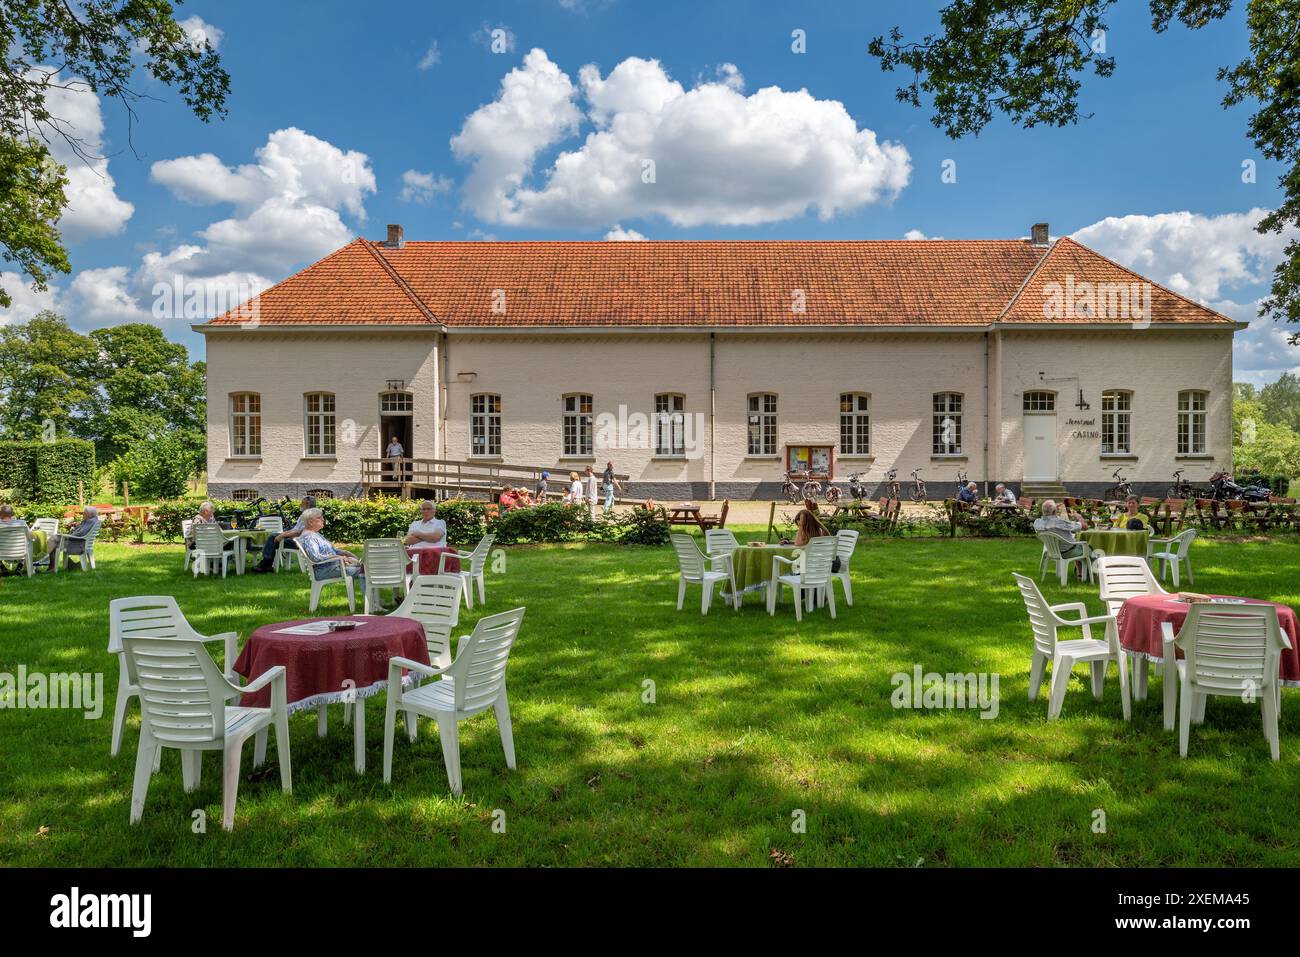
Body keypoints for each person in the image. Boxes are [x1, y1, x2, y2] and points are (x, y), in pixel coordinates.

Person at [297, 508, 363, 588]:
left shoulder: (315, 534)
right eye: (319, 518)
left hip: (333, 567)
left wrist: (346, 553)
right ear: (310, 522)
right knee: (365, 571)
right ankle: (372, 600)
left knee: (366, 567)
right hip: (324, 570)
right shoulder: (309, 537)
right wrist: (340, 558)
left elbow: (332, 550)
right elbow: (315, 557)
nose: (323, 519)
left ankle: (372, 599)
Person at [251, 495, 316, 573]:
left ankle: (266, 564)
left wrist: (282, 535)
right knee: (274, 536)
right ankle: (266, 564)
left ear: (307, 504)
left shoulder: (308, 516)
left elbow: (299, 532)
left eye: (302, 502)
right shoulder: (309, 514)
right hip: (300, 541)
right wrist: (282, 534)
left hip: (300, 543)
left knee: (272, 538)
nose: (300, 504)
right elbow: (295, 530)